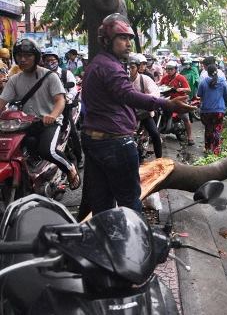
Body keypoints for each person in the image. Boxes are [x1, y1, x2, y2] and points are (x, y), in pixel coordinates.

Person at [80, 13, 194, 218]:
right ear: (107, 40)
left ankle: (108, 243)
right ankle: (137, 245)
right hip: (114, 143)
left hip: (94, 140)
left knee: (102, 202)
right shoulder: (110, 67)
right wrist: (167, 104)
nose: (128, 43)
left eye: (130, 39)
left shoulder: (97, 63)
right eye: (122, 38)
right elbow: (129, 95)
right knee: (130, 200)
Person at [0, 39, 80, 189]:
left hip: (48, 123)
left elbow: (60, 101)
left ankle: (69, 168)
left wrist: (53, 116)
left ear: (36, 57)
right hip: (24, 124)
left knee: (47, 150)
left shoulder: (50, 76)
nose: (22, 59)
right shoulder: (14, 80)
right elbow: (2, 102)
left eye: (27, 55)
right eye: (19, 55)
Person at [42, 49, 83, 168]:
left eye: (52, 60)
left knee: (72, 131)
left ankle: (79, 157)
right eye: (47, 60)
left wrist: (68, 98)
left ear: (57, 61)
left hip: (65, 107)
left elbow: (74, 89)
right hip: (47, 109)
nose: (50, 63)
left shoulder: (66, 73)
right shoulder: (42, 75)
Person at [129, 53, 162, 160]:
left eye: (132, 67)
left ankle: (159, 160)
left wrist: (143, 98)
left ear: (138, 68)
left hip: (143, 113)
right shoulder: (122, 80)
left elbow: (156, 93)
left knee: (155, 134)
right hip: (127, 114)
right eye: (127, 67)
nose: (129, 70)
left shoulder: (145, 79)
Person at [159, 60, 195, 145]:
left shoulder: (181, 77)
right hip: (167, 100)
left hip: (180, 100)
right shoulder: (165, 77)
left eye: (171, 69)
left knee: (185, 118)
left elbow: (188, 89)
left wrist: (181, 89)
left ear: (175, 69)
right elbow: (160, 86)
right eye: (167, 69)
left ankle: (190, 138)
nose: (169, 71)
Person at [197, 64, 227, 155]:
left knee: (208, 129)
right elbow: (226, 96)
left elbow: (199, 95)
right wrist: (224, 107)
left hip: (206, 110)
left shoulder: (203, 82)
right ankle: (216, 150)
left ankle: (207, 148)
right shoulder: (223, 82)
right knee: (217, 129)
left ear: (207, 72)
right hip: (219, 111)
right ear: (216, 71)